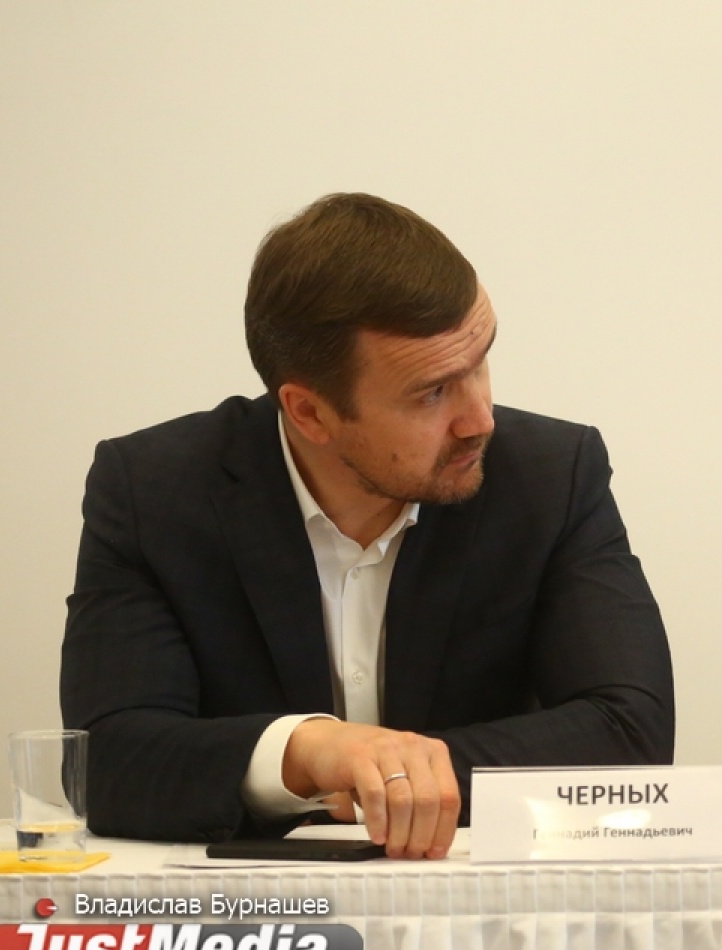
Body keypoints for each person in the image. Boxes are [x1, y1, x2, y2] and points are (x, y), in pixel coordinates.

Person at [61, 193, 675, 857]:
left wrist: (388, 774)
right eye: (432, 392)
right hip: (258, 909)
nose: (480, 419)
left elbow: (630, 731)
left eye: (479, 363)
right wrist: (304, 752)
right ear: (309, 413)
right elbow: (108, 758)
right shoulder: (155, 492)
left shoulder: (550, 476)